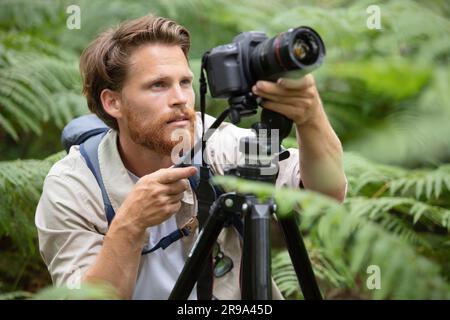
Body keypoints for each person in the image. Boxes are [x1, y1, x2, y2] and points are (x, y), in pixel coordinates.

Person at [35, 14, 347, 300]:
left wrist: (311, 116)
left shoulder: (219, 145)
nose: (180, 98)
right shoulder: (73, 186)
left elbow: (327, 196)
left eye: (185, 82)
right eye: (158, 85)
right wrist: (129, 224)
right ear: (112, 102)